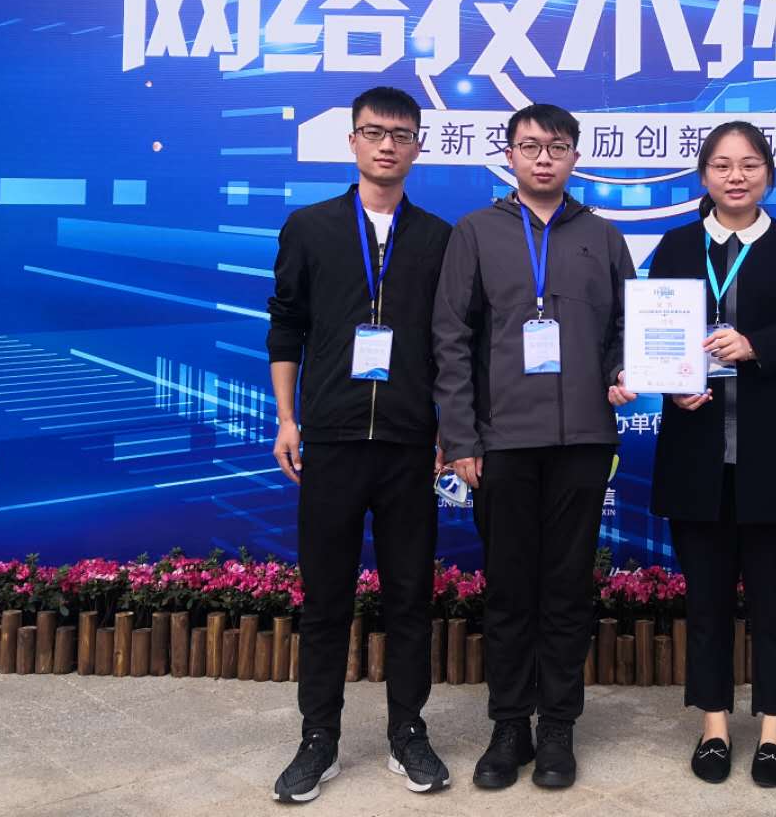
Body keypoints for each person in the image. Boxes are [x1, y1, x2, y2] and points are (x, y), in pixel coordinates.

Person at [432, 103, 636, 791]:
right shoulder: (476, 232)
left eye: (556, 146)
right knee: (511, 589)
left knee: (568, 588)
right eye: (529, 146)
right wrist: (461, 436)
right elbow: (451, 339)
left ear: (576, 155)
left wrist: (621, 371)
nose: (543, 157)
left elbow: (625, 330)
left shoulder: (603, 236)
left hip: (583, 441)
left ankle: (557, 727)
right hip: (503, 443)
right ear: (509, 155)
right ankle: (509, 725)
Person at [267, 86, 454, 802]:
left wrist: (449, 426)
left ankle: (408, 731)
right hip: (333, 440)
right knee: (325, 598)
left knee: (410, 596)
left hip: (409, 443)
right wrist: (288, 419)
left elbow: (452, 343)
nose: (387, 145)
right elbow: (287, 326)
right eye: (374, 132)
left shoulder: (438, 238)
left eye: (400, 134)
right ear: (352, 141)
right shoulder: (310, 228)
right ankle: (318, 737)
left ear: (417, 147)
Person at [640, 122, 776, 788]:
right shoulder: (677, 245)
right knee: (706, 603)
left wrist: (755, 345)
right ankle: (715, 726)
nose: (735, 176)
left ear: (768, 175)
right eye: (722, 165)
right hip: (696, 454)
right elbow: (651, 334)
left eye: (749, 164)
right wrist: (672, 384)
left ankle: (775, 731)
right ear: (704, 176)